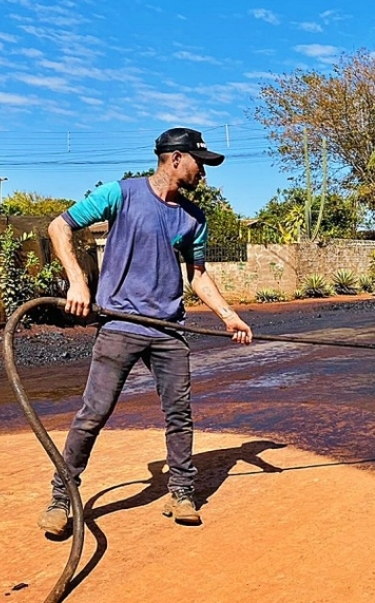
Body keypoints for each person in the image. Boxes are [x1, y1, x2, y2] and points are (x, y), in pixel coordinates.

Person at [38, 127, 252, 535]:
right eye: (198, 164)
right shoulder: (120, 194)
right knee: (92, 415)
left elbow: (198, 275)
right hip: (119, 324)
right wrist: (78, 282)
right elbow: (59, 227)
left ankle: (182, 493)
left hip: (168, 329)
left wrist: (228, 316)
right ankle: (62, 499)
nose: (203, 173)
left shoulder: (194, 217)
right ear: (175, 159)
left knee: (179, 415)